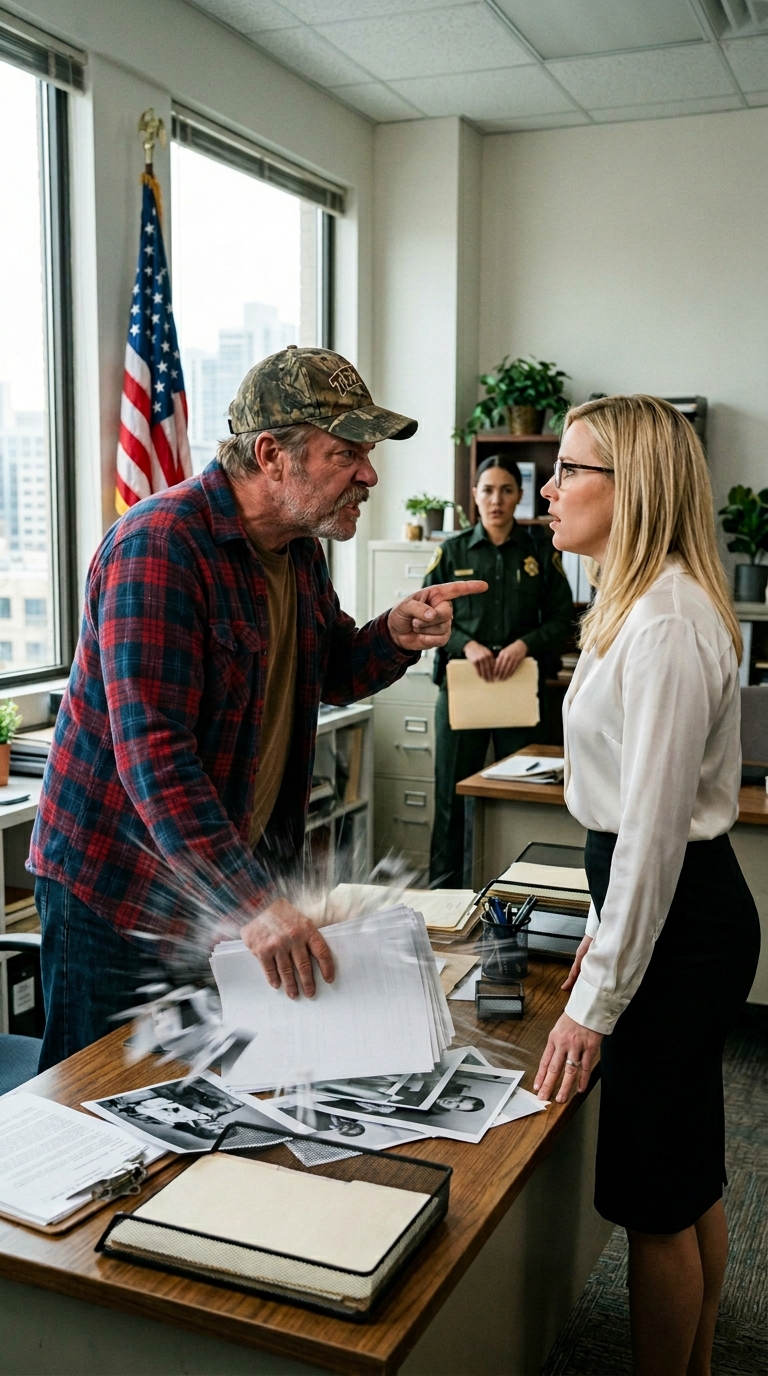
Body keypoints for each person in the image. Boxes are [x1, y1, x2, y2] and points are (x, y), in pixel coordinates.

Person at [29, 347, 487, 1071]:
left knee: (205, 1094)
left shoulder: (298, 551)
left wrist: (394, 635)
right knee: (97, 1103)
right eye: (347, 454)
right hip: (120, 895)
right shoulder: (160, 546)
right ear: (272, 455)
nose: (369, 475)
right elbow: (155, 755)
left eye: (367, 455)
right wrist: (252, 903)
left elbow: (328, 668)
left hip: (217, 886)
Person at [533, 396, 760, 1376]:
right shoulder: (637, 601)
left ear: (634, 488)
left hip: (679, 916)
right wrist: (604, 927)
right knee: (689, 1173)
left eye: (570, 470)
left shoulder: (665, 620)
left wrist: (596, 1002)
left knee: (652, 1198)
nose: (548, 489)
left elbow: (654, 835)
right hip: (668, 909)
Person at [423, 455, 573, 886]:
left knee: (518, 796)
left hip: (518, 689)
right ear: (474, 495)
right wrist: (465, 644)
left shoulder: (541, 551)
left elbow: (563, 619)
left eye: (506, 491)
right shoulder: (451, 552)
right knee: (451, 797)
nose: (496, 500)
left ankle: (516, 891)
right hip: (464, 689)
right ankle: (444, 893)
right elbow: (427, 617)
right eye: (487, 490)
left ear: (519, 496)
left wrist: (525, 644)